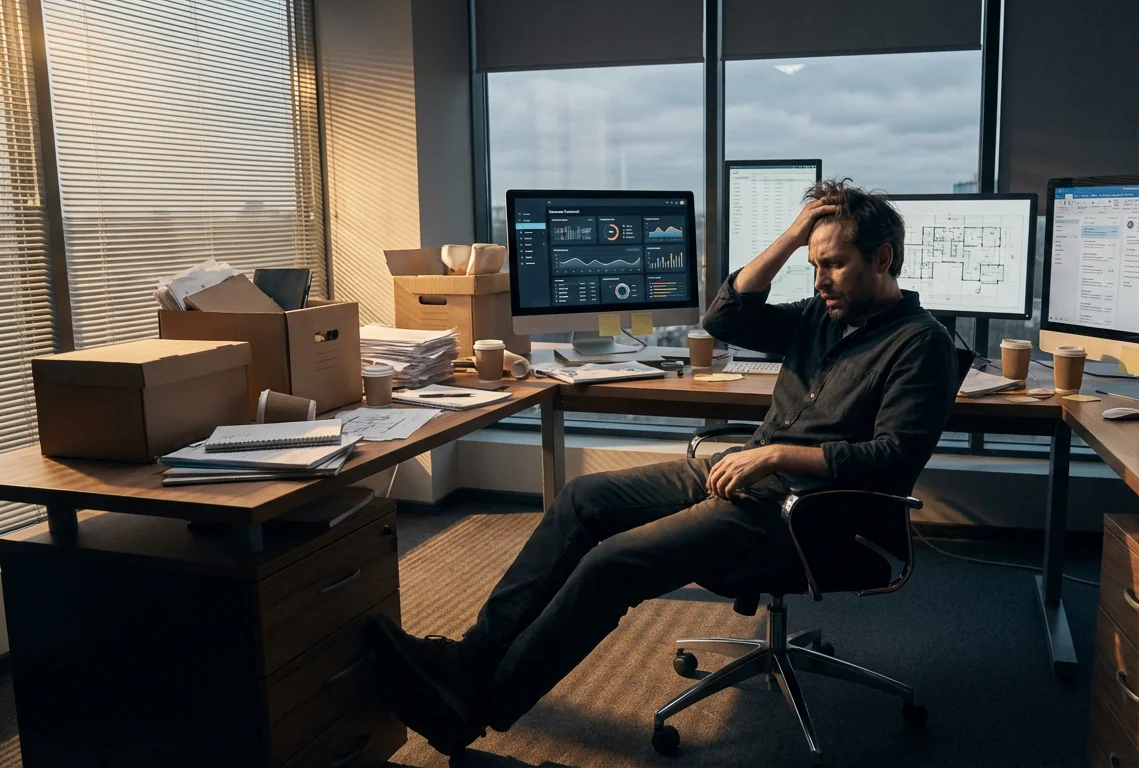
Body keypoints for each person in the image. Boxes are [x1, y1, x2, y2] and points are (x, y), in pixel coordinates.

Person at [367, 178, 960, 758]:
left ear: (883, 258)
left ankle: (475, 709)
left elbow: (891, 460)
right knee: (581, 500)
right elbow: (725, 317)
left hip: (812, 514)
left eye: (833, 263)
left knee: (613, 562)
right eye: (813, 264)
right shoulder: (821, 315)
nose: (821, 279)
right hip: (745, 477)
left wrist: (777, 453)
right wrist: (793, 233)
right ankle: (469, 661)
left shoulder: (920, 343)